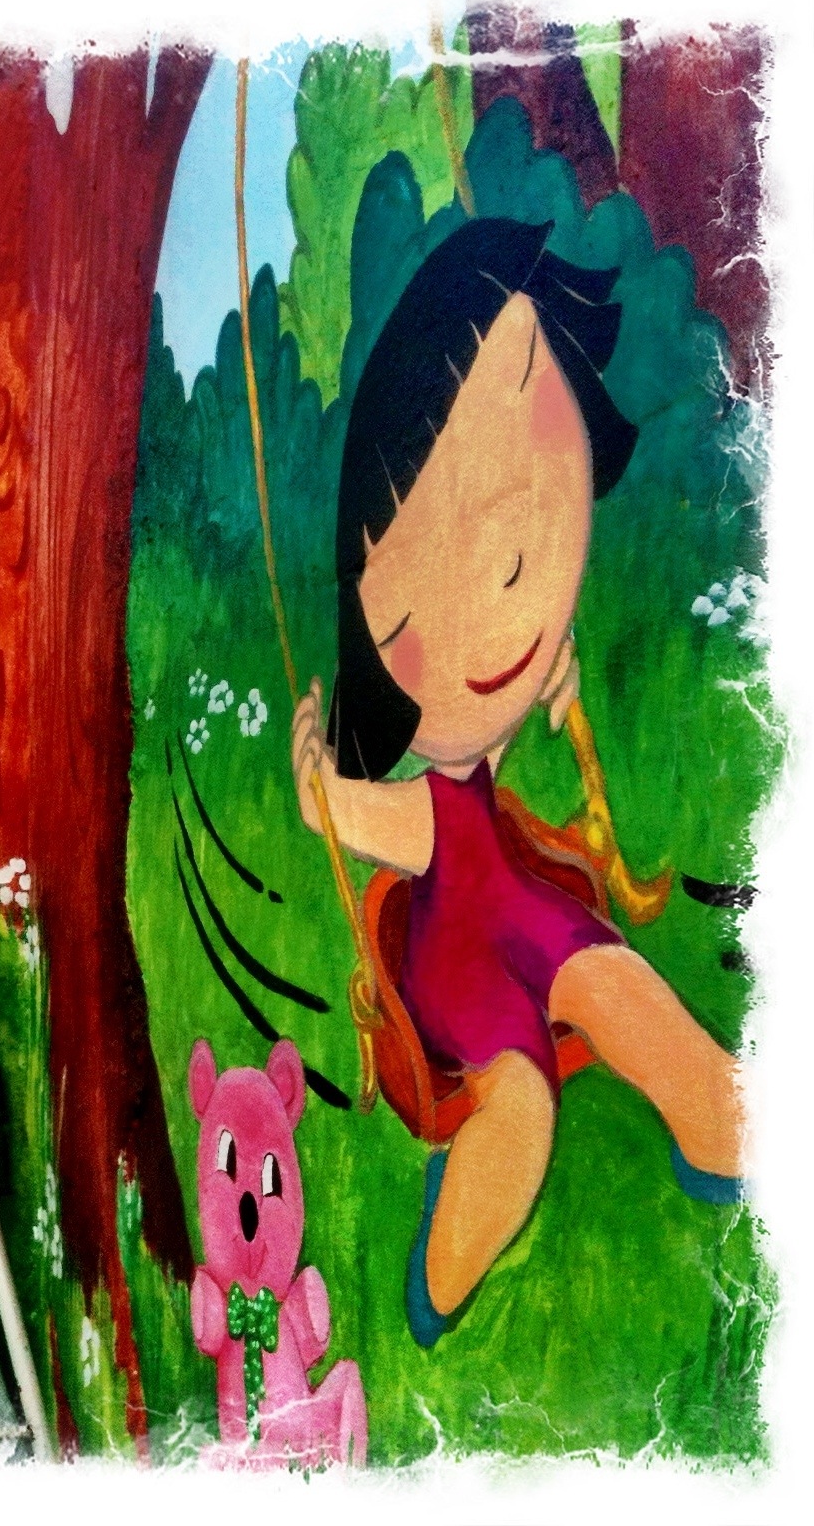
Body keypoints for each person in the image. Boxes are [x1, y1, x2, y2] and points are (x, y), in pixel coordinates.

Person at [286, 219, 745, 1348]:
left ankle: (724, 1131)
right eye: (417, 601)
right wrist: (318, 784)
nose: (505, 589)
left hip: (530, 915)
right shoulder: (424, 816)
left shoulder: (487, 756)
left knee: (618, 984)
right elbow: (341, 814)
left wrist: (555, 670)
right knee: (521, 1102)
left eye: (529, 542)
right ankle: (441, 1272)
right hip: (454, 969)